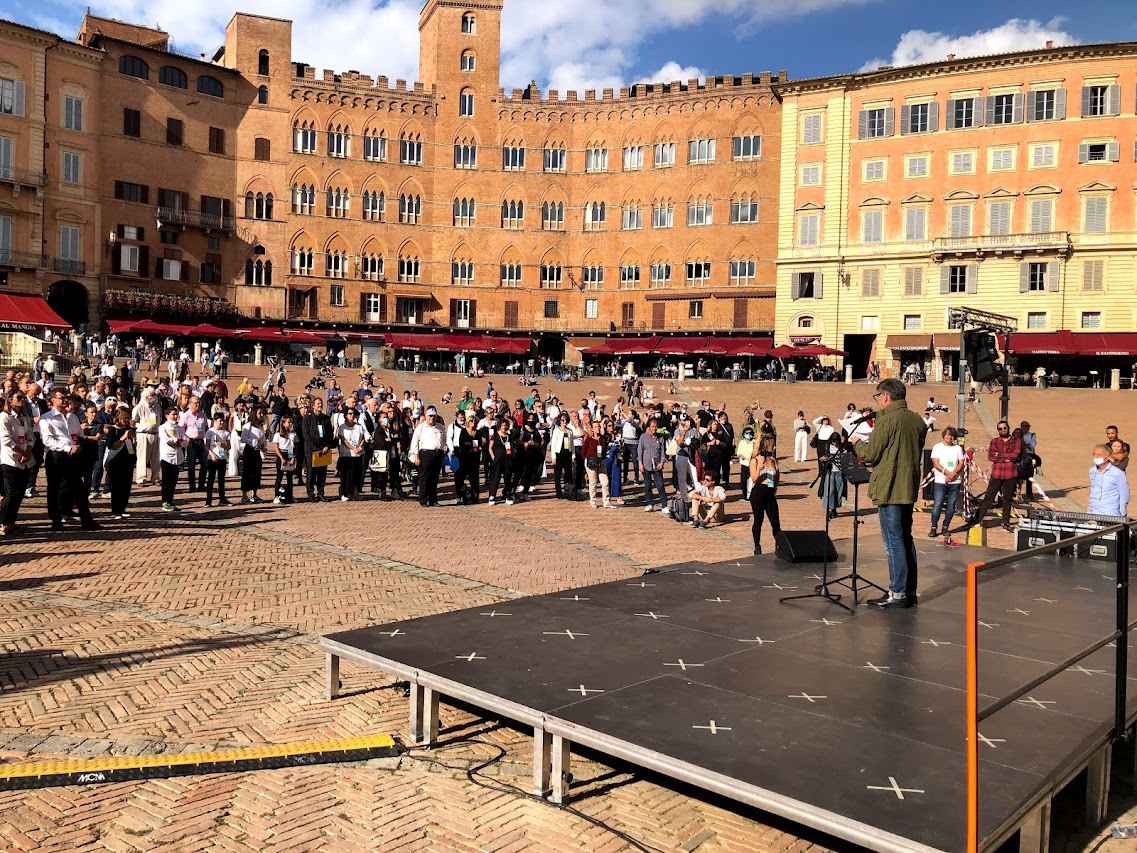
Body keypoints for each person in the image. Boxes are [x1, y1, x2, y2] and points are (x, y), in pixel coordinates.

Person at [849, 378, 927, 609]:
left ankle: (897, 592)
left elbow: (871, 454)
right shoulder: (916, 420)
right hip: (908, 486)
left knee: (893, 541)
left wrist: (856, 443)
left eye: (877, 397)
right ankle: (909, 590)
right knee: (906, 538)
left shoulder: (887, 420)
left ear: (885, 397)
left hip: (890, 487)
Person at [967, 420, 1021, 532]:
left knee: (1007, 500)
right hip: (997, 474)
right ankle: (977, 519)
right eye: (1000, 429)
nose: (1002, 430)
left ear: (1008, 428)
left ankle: (1005, 522)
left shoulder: (1016, 441)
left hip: (1010, 474)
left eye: (1004, 428)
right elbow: (991, 456)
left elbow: (1015, 455)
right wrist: (1006, 458)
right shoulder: (995, 441)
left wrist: (1000, 455)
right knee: (988, 497)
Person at [0, 389, 35, 534]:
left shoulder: (24, 417)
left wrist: (28, 451)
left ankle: (11, 522)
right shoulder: (4, 417)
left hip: (25, 459)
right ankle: (2, 522)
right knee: (11, 492)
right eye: (18, 398)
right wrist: (21, 452)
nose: (22, 400)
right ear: (10, 400)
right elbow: (6, 439)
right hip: (10, 459)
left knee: (19, 493)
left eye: (23, 398)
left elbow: (31, 436)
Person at [928, 426, 964, 540]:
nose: (950, 437)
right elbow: (935, 462)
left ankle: (945, 526)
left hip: (955, 481)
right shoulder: (937, 447)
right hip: (941, 480)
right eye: (948, 434)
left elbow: (961, 463)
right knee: (937, 505)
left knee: (951, 506)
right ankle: (934, 527)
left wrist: (953, 474)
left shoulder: (957, 448)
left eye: (952, 435)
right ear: (944, 435)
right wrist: (947, 473)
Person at [748, 439, 781, 552]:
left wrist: (774, 486)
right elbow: (754, 478)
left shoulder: (773, 460)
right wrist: (759, 468)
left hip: (770, 492)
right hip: (759, 491)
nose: (774, 448)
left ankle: (779, 545)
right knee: (758, 520)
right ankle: (757, 545)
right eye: (773, 446)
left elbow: (776, 476)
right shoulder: (755, 460)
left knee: (775, 521)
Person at [103, 408, 136, 519]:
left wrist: (134, 441)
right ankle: (115, 511)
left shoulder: (129, 429)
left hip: (128, 460)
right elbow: (111, 445)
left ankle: (122, 509)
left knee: (126, 486)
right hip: (116, 461)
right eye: (124, 418)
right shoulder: (113, 430)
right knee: (117, 486)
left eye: (128, 418)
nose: (127, 420)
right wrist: (123, 437)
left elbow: (132, 446)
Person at [410, 407, 445, 507]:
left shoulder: (439, 427)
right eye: (430, 416)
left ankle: (433, 499)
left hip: (437, 453)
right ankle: (424, 499)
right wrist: (416, 455)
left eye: (434, 416)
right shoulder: (421, 427)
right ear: (426, 416)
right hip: (425, 453)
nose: (432, 418)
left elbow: (443, 440)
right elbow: (414, 442)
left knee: (434, 478)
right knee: (425, 478)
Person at [158, 404, 187, 512]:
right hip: (167, 457)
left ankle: (170, 501)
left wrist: (180, 442)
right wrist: (176, 440)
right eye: (173, 414)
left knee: (173, 481)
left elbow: (185, 441)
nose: (175, 417)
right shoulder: (162, 427)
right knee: (166, 480)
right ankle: (165, 501)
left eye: (177, 415)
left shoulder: (180, 428)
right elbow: (166, 440)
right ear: (167, 415)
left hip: (177, 456)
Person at [1088, 444, 1130, 517]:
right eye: (1094, 454)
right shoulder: (1092, 471)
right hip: (1093, 513)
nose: (1095, 457)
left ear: (1108, 457)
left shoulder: (1117, 473)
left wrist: (1122, 514)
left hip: (1110, 514)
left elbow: (1124, 495)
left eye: (1099, 455)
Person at [336, 407, 365, 501]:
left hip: (357, 454)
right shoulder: (342, 427)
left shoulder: (359, 426)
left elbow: (364, 437)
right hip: (346, 454)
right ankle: (344, 493)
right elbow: (343, 440)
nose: (352, 416)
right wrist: (353, 448)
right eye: (350, 413)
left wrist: (360, 446)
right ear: (346, 415)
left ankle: (355, 492)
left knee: (356, 474)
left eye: (353, 414)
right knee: (346, 474)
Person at [581, 419, 611, 509]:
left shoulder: (602, 439)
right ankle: (593, 500)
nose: (597, 428)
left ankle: (606, 501)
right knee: (593, 482)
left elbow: (605, 450)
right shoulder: (589, 439)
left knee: (605, 482)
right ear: (592, 429)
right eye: (596, 427)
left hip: (601, 461)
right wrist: (587, 459)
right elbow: (583, 451)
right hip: (591, 461)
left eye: (598, 426)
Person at [204, 412, 231, 507]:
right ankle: (208, 500)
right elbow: (206, 446)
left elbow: (229, 446)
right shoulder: (210, 432)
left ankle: (222, 499)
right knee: (211, 479)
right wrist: (211, 454)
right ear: (214, 421)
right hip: (212, 458)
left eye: (223, 421)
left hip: (222, 458)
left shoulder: (226, 432)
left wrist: (223, 445)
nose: (222, 423)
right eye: (220, 421)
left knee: (221, 479)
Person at [240, 407, 267, 504]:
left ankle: (254, 494)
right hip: (249, 450)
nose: (261, 415)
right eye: (260, 413)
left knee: (256, 473)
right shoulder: (248, 426)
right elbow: (243, 439)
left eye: (262, 413)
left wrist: (264, 446)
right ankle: (244, 495)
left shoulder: (260, 426)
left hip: (257, 451)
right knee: (247, 473)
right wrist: (254, 441)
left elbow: (263, 438)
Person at [272, 414, 299, 504]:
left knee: (289, 477)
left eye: (291, 422)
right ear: (283, 423)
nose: (291, 424)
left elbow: (295, 446)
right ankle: (276, 495)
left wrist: (293, 457)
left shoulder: (293, 434)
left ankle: (289, 495)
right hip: (282, 453)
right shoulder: (278, 434)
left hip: (290, 453)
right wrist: (281, 458)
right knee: (279, 476)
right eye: (289, 422)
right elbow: (276, 447)